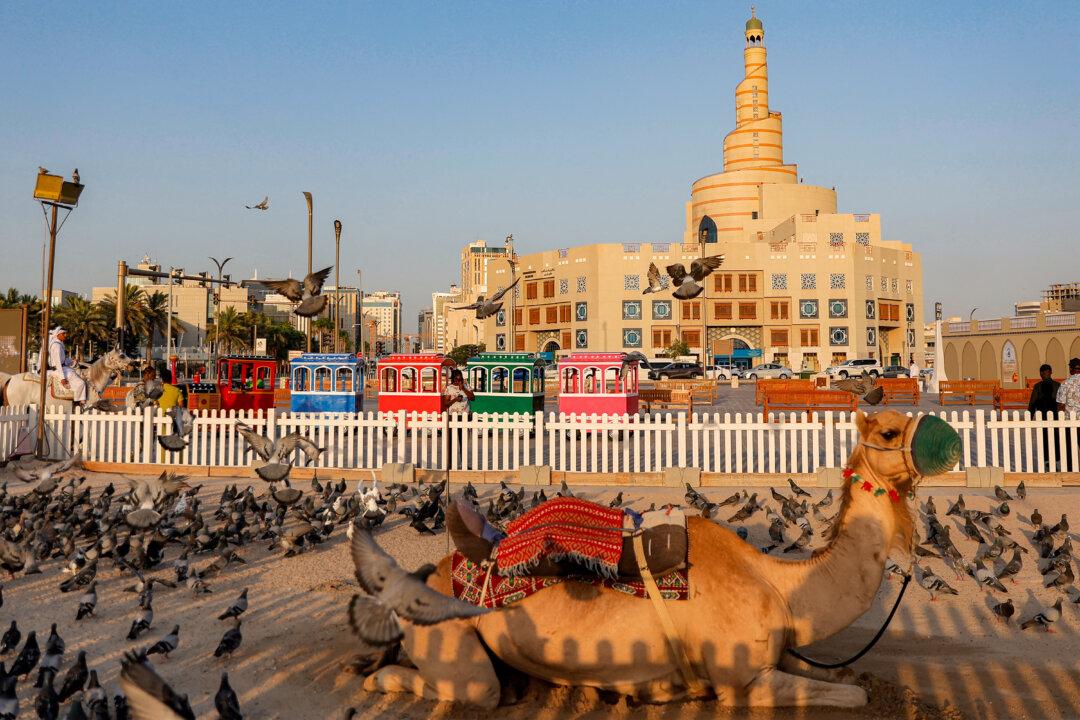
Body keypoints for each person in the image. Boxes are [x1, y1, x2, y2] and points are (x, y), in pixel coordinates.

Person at [1030, 363, 1061, 471]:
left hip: (1042, 418)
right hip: (1056, 419)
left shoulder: (1038, 386)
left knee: (1046, 441)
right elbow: (1061, 403)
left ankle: (1048, 463)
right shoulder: (1057, 385)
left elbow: (1032, 404)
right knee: (1055, 440)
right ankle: (1055, 462)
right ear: (1051, 372)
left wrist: (1029, 417)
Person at [45, 326, 87, 405]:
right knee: (81, 383)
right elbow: (58, 363)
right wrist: (62, 378)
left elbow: (63, 360)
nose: (65, 335)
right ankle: (78, 402)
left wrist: (72, 361)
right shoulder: (56, 346)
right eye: (63, 334)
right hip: (58, 370)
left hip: (62, 368)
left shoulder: (59, 344)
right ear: (58, 334)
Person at [1057, 358, 1080, 472]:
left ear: (1070, 369)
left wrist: (1060, 420)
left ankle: (1071, 471)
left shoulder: (1065, 384)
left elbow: (1061, 405)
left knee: (1070, 448)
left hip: (1069, 422)